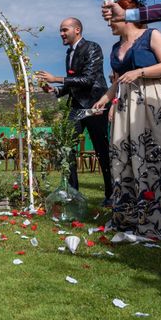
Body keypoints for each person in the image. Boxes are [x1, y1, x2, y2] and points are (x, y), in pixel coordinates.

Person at [93, 0, 161, 239]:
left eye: (113, 17)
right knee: (127, 156)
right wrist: (106, 98)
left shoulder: (152, 35)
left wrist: (140, 71)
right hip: (126, 105)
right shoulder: (115, 48)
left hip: (152, 103)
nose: (109, 22)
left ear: (128, 15)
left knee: (155, 155)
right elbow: (119, 80)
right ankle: (132, 216)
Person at [37, 18, 113, 206]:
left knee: (102, 150)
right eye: (60, 31)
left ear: (77, 30)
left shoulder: (93, 48)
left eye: (65, 30)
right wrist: (55, 90)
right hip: (76, 107)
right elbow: (74, 82)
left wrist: (56, 78)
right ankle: (72, 192)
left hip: (96, 105)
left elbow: (87, 79)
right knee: (66, 148)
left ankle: (112, 195)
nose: (61, 34)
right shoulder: (69, 53)